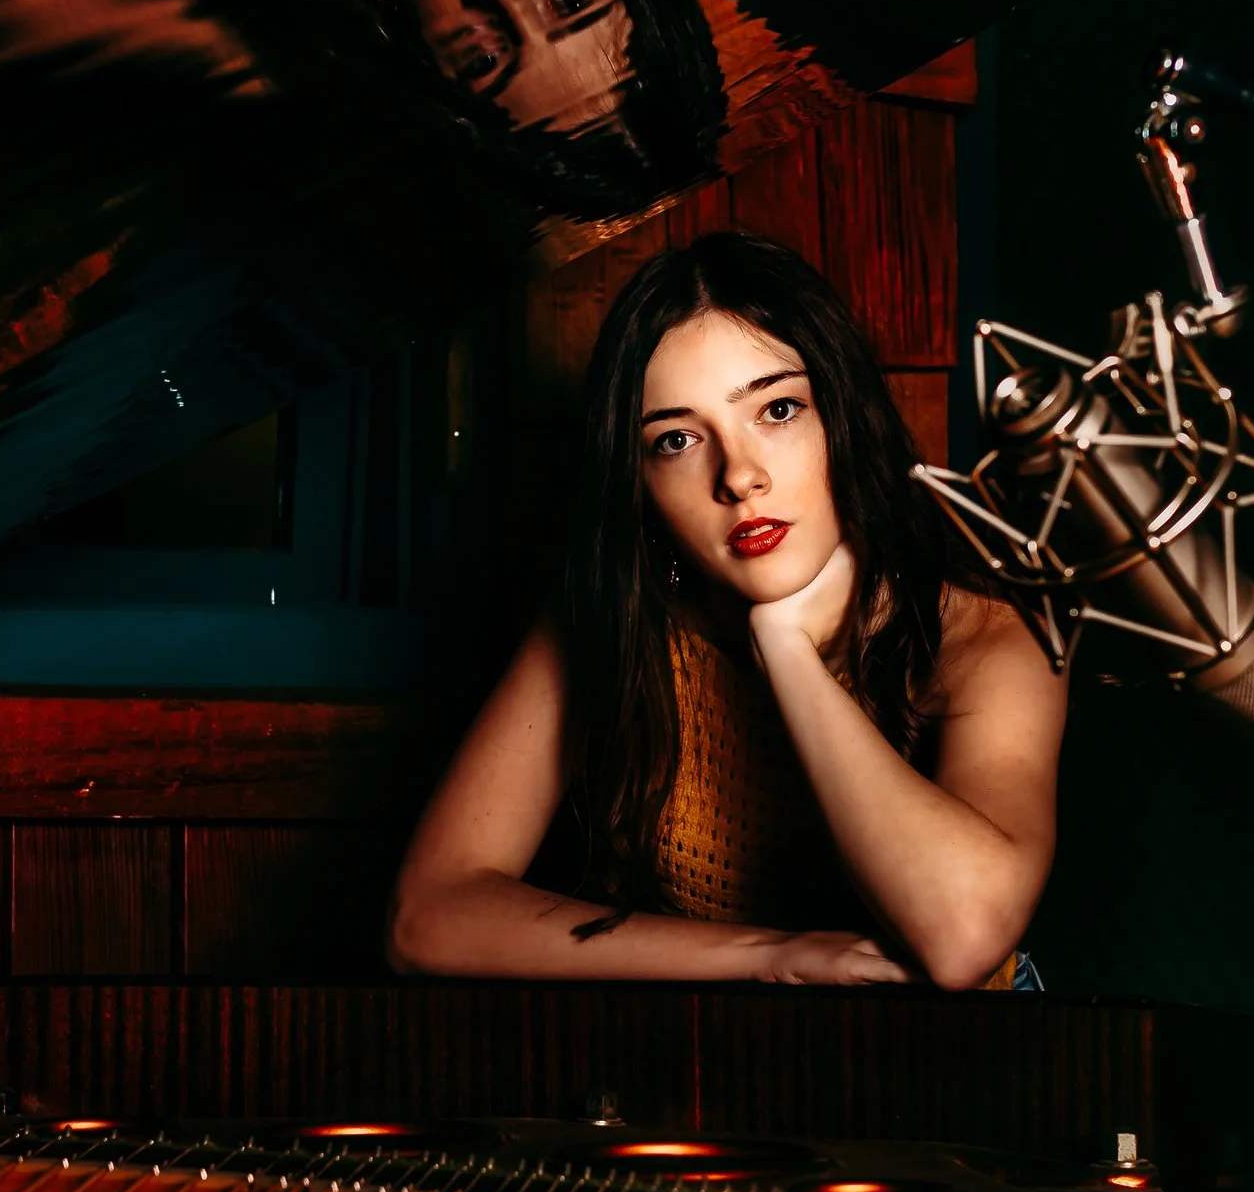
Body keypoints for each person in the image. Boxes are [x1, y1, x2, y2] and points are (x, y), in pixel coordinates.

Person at [389, 232, 1067, 987]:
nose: (739, 476)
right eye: (676, 439)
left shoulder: (986, 637)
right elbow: (427, 916)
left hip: (969, 1071)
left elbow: (963, 936)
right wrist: (769, 959)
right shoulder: (619, 617)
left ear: (844, 419)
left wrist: (786, 647)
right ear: (639, 483)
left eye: (777, 410)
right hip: (723, 1059)